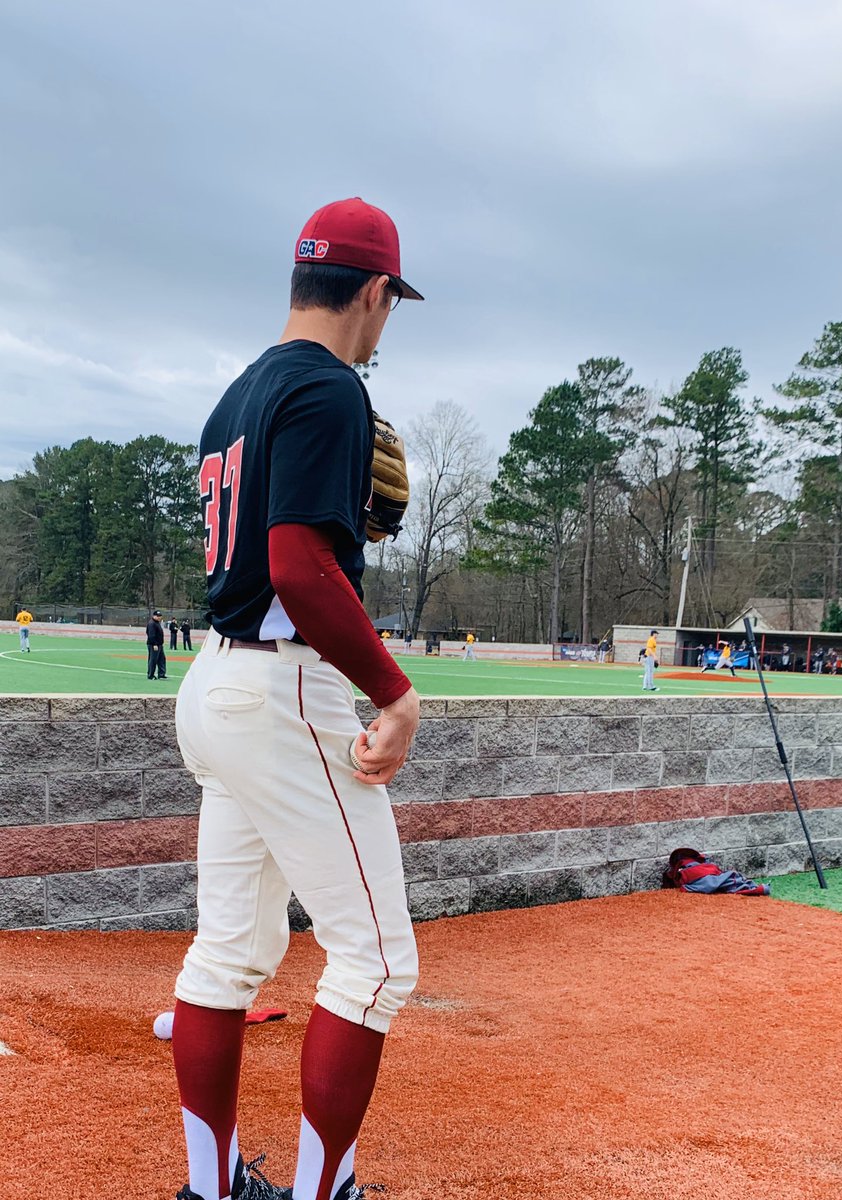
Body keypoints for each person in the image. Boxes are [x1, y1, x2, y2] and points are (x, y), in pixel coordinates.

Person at [169, 198, 423, 1200]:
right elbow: (299, 566)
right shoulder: (330, 387)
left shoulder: (235, 394)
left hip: (216, 685)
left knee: (230, 952)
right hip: (281, 691)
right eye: (388, 303)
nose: (382, 322)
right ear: (371, 292)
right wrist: (394, 694)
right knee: (374, 961)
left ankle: (209, 1185)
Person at [146, 610, 167, 679]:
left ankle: (161, 674)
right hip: (154, 645)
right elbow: (151, 635)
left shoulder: (157, 623)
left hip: (159, 644)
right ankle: (150, 675)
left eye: (159, 616)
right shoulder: (152, 623)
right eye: (157, 616)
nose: (159, 617)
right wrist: (154, 644)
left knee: (162, 659)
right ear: (153, 616)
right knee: (153, 660)